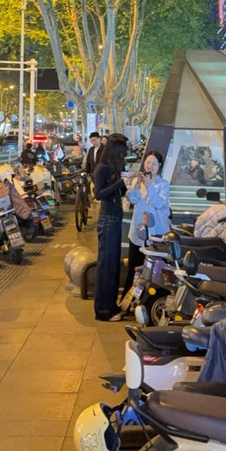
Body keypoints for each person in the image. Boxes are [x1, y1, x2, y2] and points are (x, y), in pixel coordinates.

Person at [120, 151, 170, 300]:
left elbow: (158, 203)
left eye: (154, 163)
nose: (150, 166)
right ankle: (128, 301)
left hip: (157, 234)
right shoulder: (139, 181)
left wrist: (149, 186)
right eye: (148, 163)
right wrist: (135, 186)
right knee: (134, 268)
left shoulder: (163, 184)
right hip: (138, 232)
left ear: (159, 165)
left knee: (156, 270)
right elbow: (132, 199)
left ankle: (154, 302)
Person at [92, 133, 129, 321]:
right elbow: (99, 194)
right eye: (122, 152)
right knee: (106, 266)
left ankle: (111, 306)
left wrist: (127, 184)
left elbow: (117, 192)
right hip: (107, 219)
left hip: (114, 217)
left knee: (113, 265)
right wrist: (120, 183)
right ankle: (103, 310)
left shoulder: (115, 168)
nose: (124, 155)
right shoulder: (102, 168)